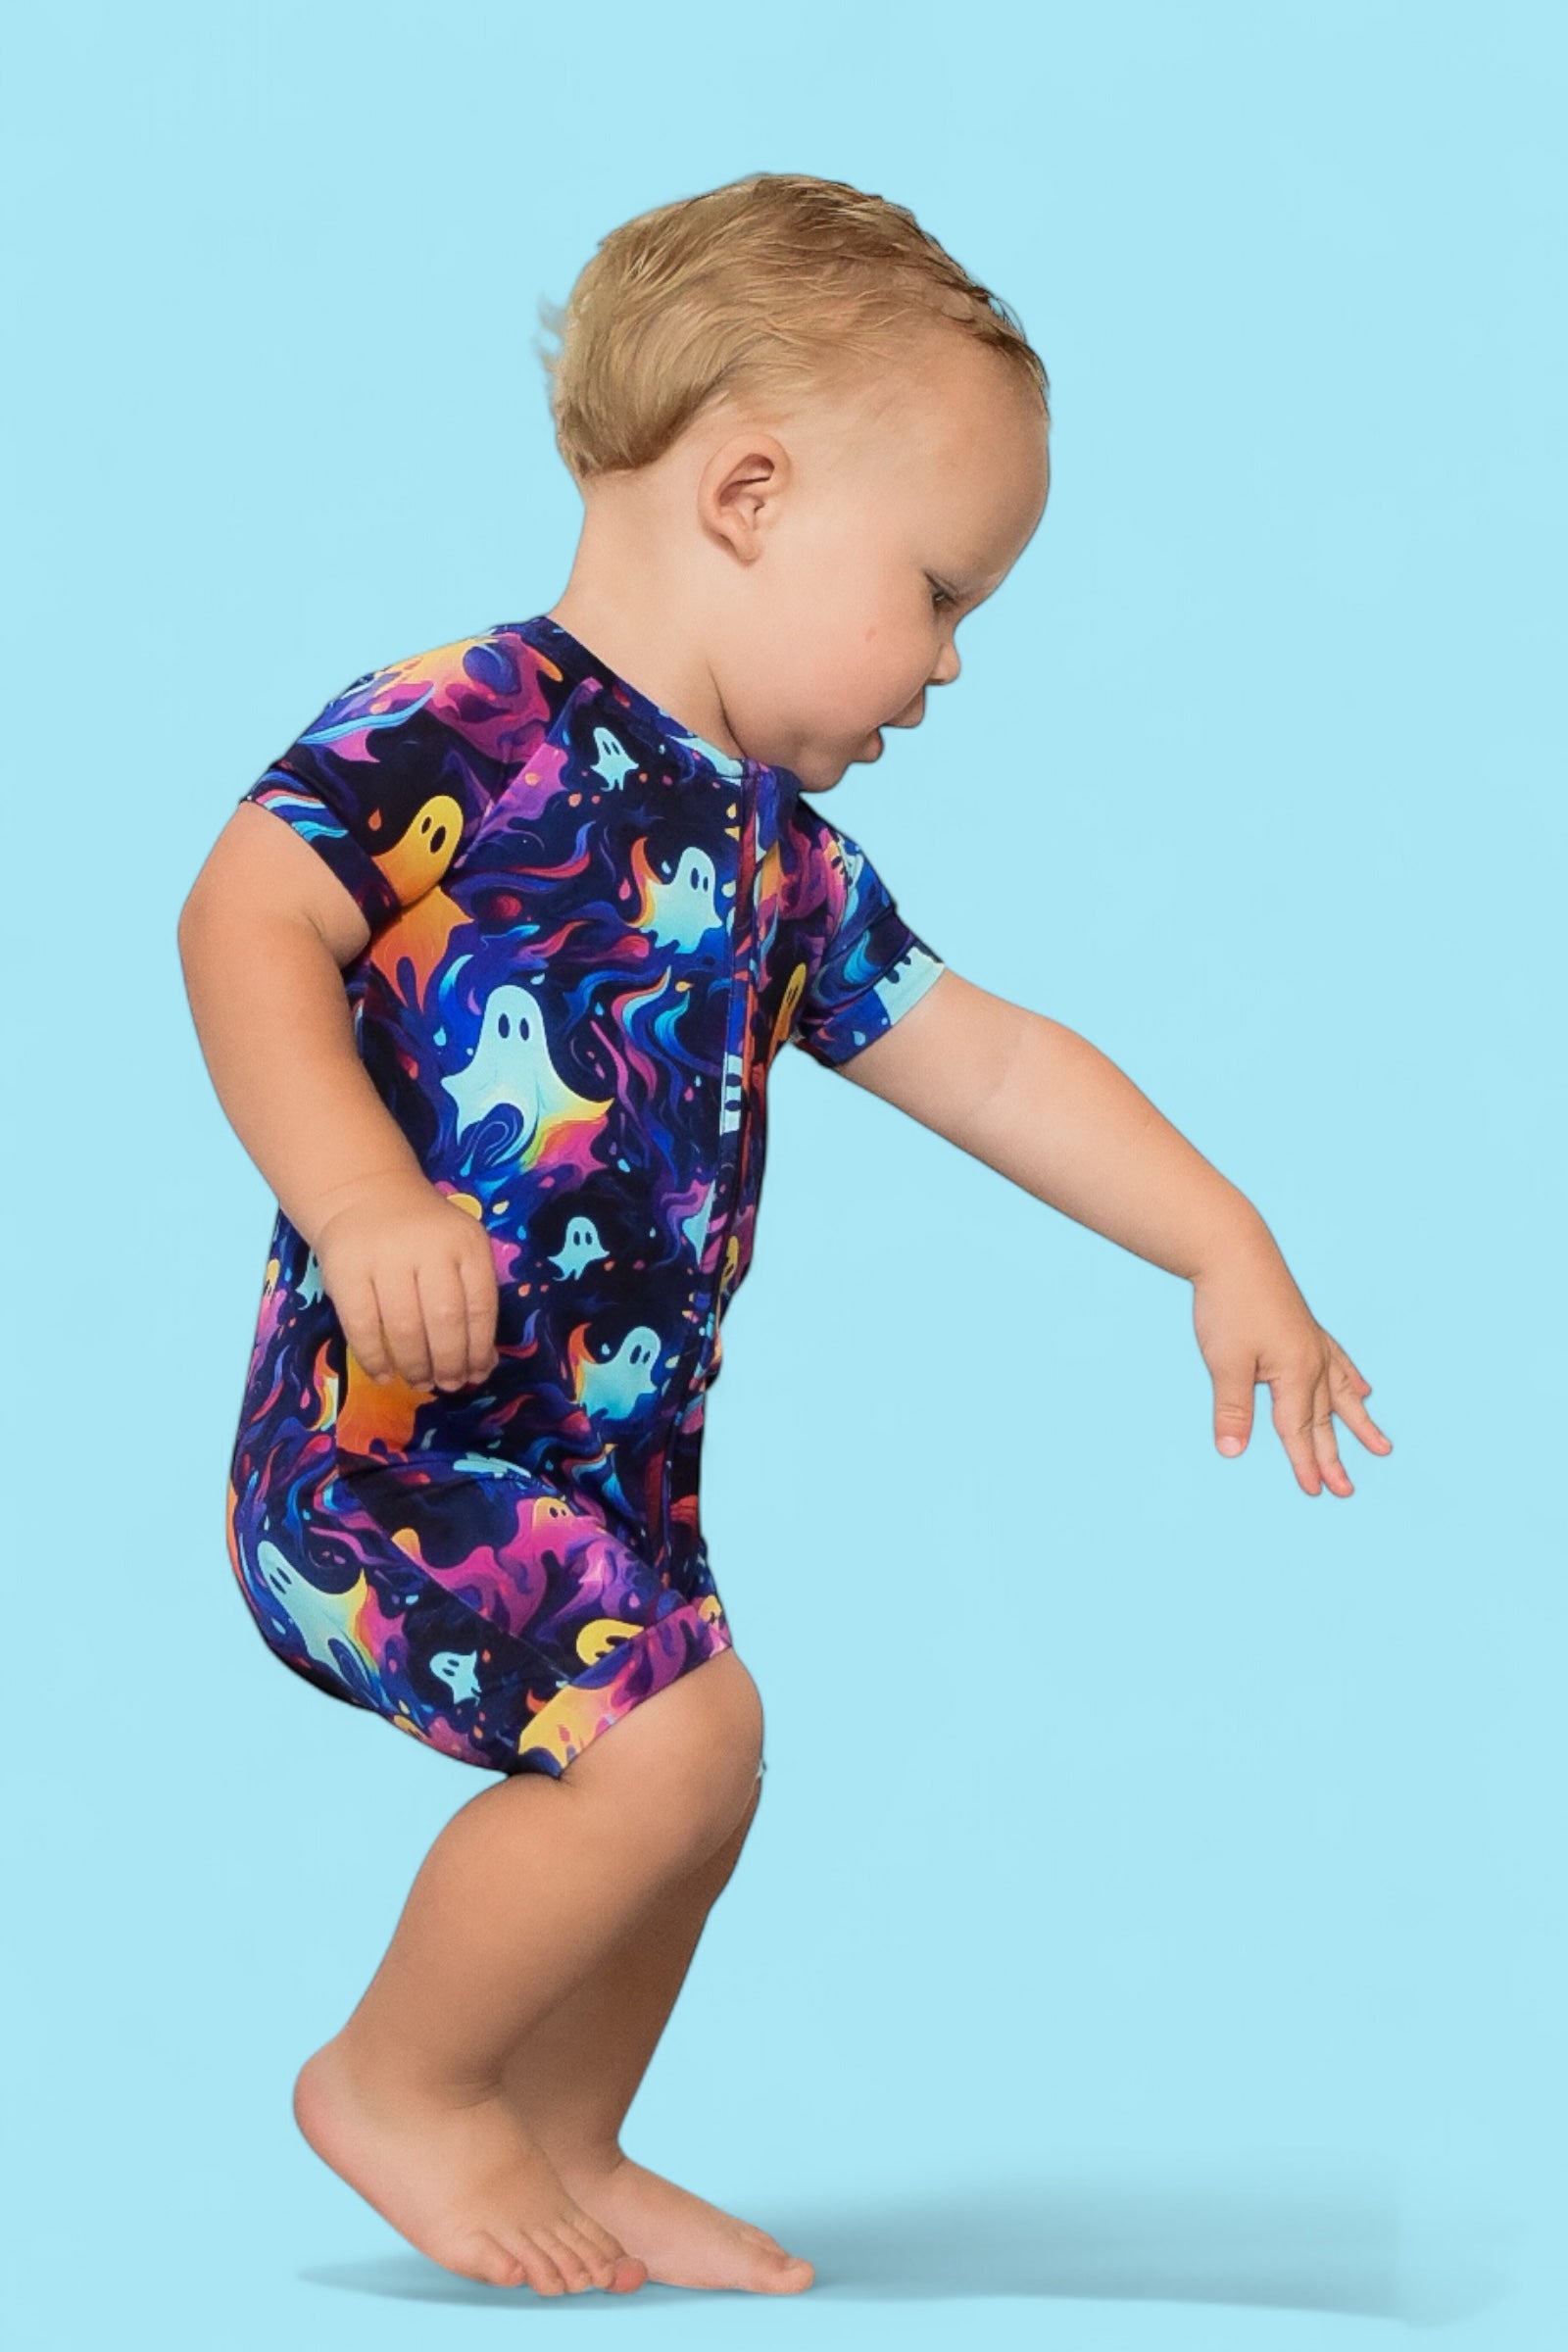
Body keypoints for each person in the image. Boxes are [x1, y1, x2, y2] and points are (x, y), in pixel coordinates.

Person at [177, 171, 1393, 2301]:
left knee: (702, 1770)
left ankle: (570, 2133)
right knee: (677, 1743)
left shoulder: (772, 857)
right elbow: (244, 913)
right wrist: (359, 1193)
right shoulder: (463, 725)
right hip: (386, 1454)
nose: (949, 661)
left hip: (609, 1475)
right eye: (937, 591)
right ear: (747, 494)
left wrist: (1222, 1237)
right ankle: (398, 2081)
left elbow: (986, 1060)